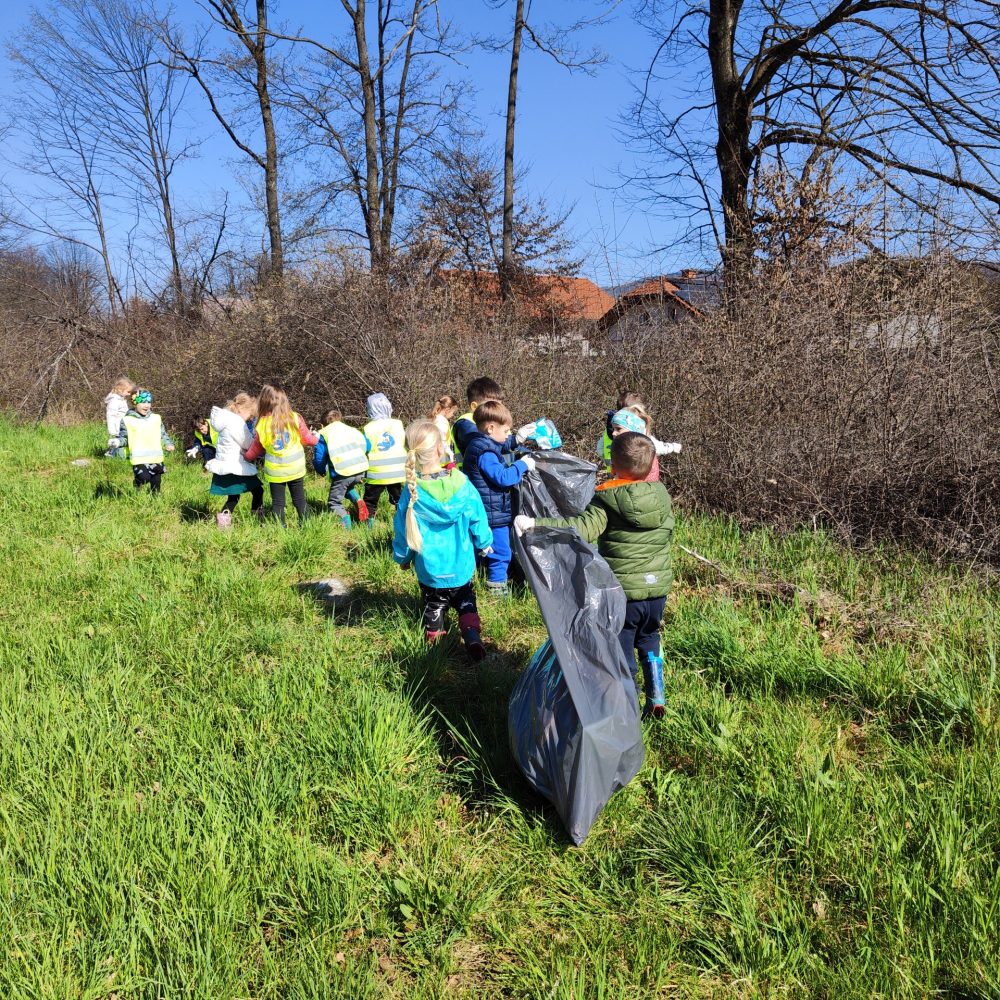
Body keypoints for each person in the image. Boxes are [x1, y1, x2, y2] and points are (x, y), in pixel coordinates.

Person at [516, 432, 675, 718]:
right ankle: (657, 695)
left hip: (625, 593)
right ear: (652, 464)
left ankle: (627, 706)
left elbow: (580, 528)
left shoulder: (608, 499)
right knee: (649, 637)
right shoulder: (662, 497)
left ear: (613, 465)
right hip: (658, 590)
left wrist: (536, 523)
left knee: (622, 647)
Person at [392, 419, 493, 660]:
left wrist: (403, 557)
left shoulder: (412, 490)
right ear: (440, 449)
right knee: (466, 601)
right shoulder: (462, 484)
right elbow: (477, 516)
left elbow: (403, 530)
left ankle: (435, 644)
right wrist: (484, 542)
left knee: (434, 604)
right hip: (461, 564)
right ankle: (472, 637)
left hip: (430, 568)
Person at [461, 399, 536, 595]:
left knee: (479, 551)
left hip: (485, 511)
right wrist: (523, 465)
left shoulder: (480, 444)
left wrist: (517, 440)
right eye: (506, 432)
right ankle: (497, 591)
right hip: (493, 516)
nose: (508, 435)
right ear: (491, 428)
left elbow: (499, 446)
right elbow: (503, 478)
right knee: (501, 553)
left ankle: (469, 585)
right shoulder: (486, 453)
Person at [243, 385, 318, 525]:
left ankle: (280, 530)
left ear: (263, 402)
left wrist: (247, 457)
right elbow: (307, 439)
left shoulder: (261, 424)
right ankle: (307, 526)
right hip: (295, 468)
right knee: (300, 500)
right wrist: (317, 439)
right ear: (284, 400)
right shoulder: (295, 418)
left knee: (278, 503)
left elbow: (256, 448)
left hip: (275, 472)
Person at [206, 392, 264, 528]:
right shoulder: (237, 422)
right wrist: (257, 441)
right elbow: (247, 443)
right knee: (258, 491)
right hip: (235, 466)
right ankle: (258, 520)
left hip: (227, 464)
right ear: (243, 409)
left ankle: (224, 522)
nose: (250, 419)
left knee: (234, 496)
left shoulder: (226, 420)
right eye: (250, 416)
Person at [452, 377, 535, 468]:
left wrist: (531, 454)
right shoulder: (465, 425)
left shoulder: (496, 422)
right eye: (493, 406)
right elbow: (486, 445)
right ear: (474, 407)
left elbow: (508, 447)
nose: (499, 410)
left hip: (503, 475)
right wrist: (515, 440)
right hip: (477, 480)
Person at [313, 407, 370, 529]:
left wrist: (321, 470)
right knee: (346, 487)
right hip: (361, 470)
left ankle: (346, 525)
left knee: (334, 503)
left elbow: (319, 457)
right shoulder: (352, 430)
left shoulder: (324, 433)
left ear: (322, 425)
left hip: (343, 471)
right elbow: (368, 445)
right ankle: (358, 501)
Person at [118, 388, 175, 493]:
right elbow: (124, 438)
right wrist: (117, 442)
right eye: (143, 402)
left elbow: (163, 434)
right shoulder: (127, 420)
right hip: (139, 458)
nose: (147, 405)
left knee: (156, 481)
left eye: (149, 402)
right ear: (135, 403)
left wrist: (168, 443)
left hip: (156, 457)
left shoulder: (156, 418)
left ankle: (156, 500)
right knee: (144, 478)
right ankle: (137, 483)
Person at [361, 392, 406, 520]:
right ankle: (404, 521)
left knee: (370, 501)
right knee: (399, 499)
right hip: (397, 471)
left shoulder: (368, 428)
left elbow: (365, 448)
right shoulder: (398, 423)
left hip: (376, 473)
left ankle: (368, 526)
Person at [103, 377, 136, 457]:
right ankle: (111, 453)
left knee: (121, 440)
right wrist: (112, 429)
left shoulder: (121, 399)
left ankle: (119, 452)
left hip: (123, 425)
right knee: (117, 440)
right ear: (120, 389)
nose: (129, 394)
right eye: (128, 392)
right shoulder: (114, 400)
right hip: (117, 426)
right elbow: (111, 415)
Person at [429, 394, 460, 463]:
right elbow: (442, 441)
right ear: (447, 410)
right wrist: (450, 454)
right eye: (453, 412)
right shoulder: (442, 422)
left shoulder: (434, 419)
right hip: (440, 460)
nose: (452, 415)